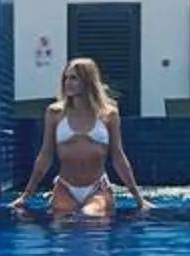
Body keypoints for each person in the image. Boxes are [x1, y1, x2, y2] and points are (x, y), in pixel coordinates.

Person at [11, 57, 149, 220]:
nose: (67, 82)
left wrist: (138, 198)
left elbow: (118, 156)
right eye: (66, 78)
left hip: (97, 187)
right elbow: (45, 155)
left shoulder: (108, 114)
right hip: (65, 187)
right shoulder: (55, 113)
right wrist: (26, 195)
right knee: (63, 219)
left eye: (74, 78)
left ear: (87, 81)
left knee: (90, 217)